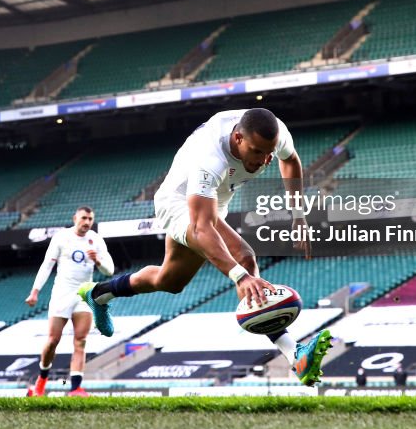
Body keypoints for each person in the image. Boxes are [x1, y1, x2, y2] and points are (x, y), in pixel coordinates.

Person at [78, 108, 332, 386]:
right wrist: (240, 276)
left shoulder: (273, 133)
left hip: (215, 200)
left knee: (170, 280)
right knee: (245, 259)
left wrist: (298, 216)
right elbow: (201, 228)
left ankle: (99, 293)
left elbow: (290, 161)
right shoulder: (209, 156)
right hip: (177, 202)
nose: (265, 160)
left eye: (269, 152)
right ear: (237, 138)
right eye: (258, 152)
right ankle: (295, 354)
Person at [25, 206, 113, 397]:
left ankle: (75, 388)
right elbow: (47, 264)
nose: (87, 222)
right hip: (62, 293)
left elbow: (110, 271)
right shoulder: (61, 237)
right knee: (52, 341)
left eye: (90, 219)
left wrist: (97, 261)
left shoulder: (96, 240)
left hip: (83, 294)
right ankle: (40, 383)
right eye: (84, 218)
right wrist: (35, 291)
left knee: (80, 340)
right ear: (75, 218)